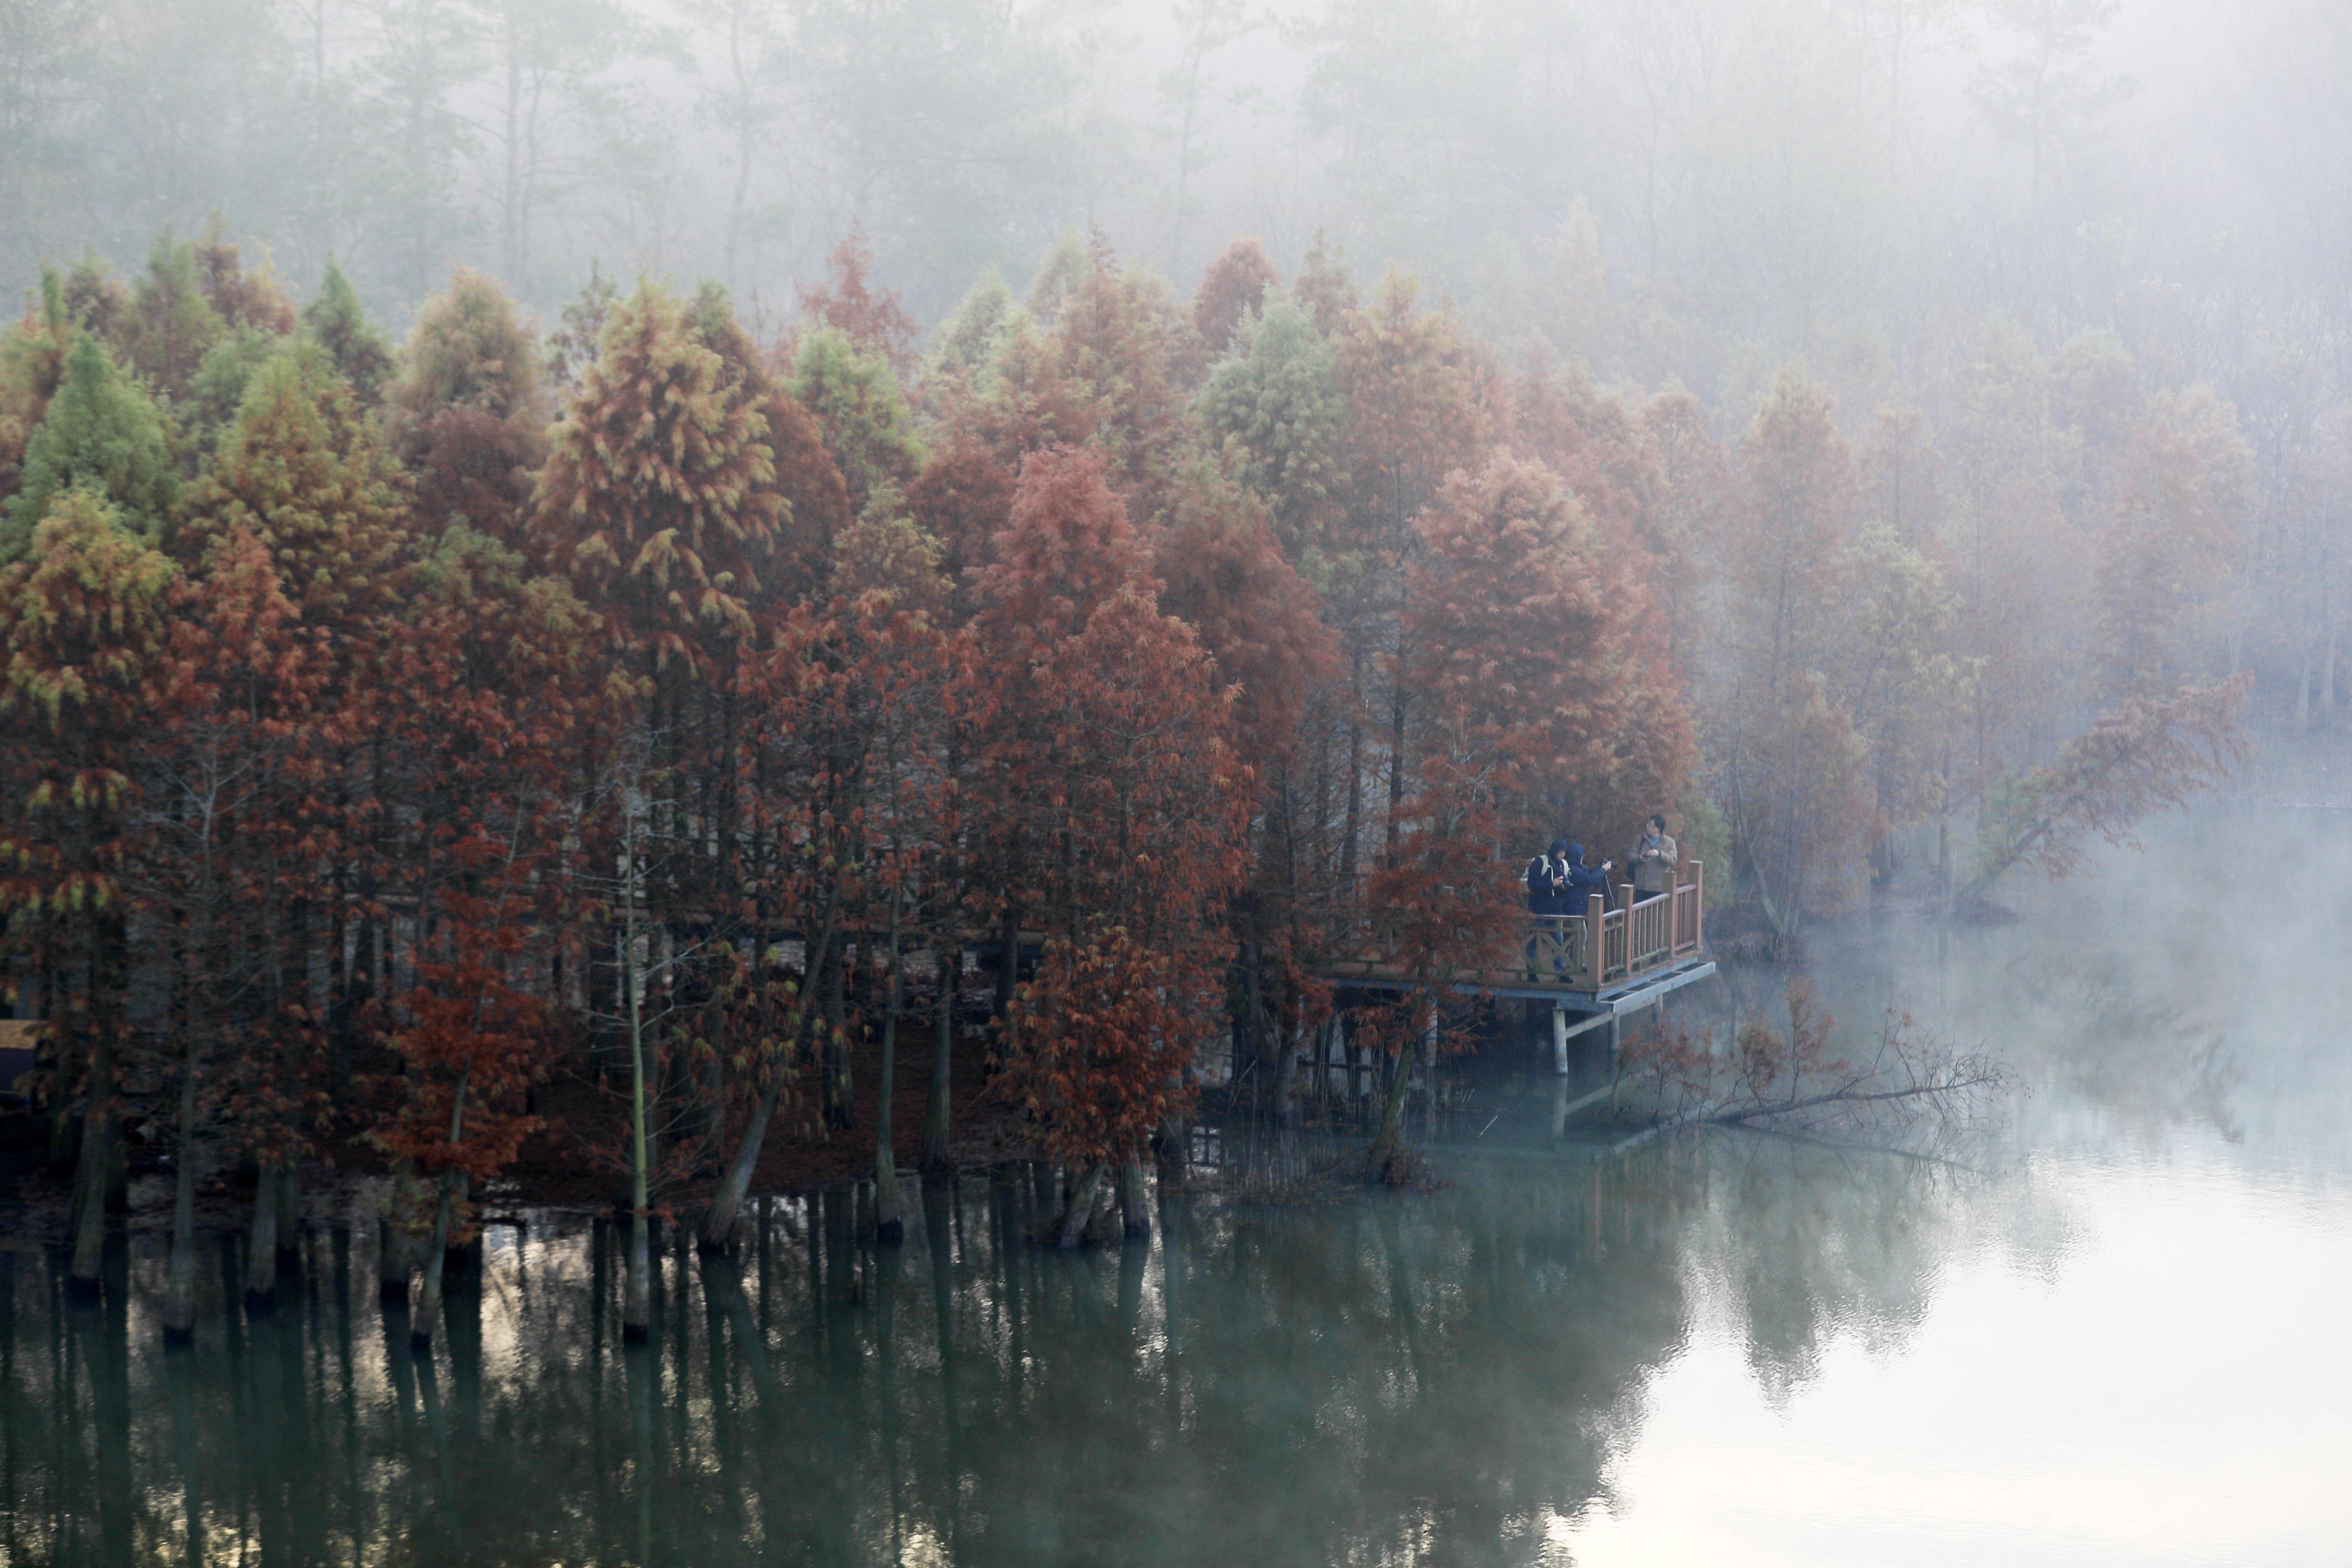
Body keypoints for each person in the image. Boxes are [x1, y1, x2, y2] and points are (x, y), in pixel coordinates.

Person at [1628, 814, 1677, 903]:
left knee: (1656, 916)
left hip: (1659, 889)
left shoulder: (1669, 843)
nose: (1647, 827)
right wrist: (1640, 858)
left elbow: (1673, 860)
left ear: (1657, 829)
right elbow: (1631, 855)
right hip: (1641, 887)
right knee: (1640, 916)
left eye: (1650, 825)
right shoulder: (1640, 839)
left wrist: (1660, 854)